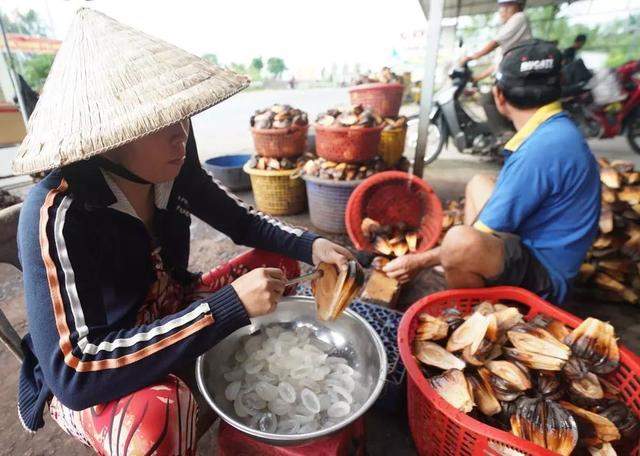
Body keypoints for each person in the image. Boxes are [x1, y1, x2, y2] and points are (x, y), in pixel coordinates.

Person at [14, 9, 351, 455]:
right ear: (111, 137)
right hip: (98, 362)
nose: (183, 137)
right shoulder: (57, 212)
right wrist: (223, 310)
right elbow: (75, 372)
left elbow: (241, 222)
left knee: (279, 268)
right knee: (159, 414)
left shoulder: (172, 162)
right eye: (163, 124)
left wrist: (314, 244)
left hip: (171, 308)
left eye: (184, 118)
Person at [384, 40, 601, 306]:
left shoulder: (542, 149)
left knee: (459, 242)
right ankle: (463, 269)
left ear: (499, 96)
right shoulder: (555, 130)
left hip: (547, 277)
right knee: (479, 183)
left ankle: (473, 310)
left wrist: (420, 260)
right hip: (536, 244)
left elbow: (482, 231)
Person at [459, 0, 532, 134]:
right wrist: (477, 78)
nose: (502, 11)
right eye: (502, 8)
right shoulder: (510, 37)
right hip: (509, 74)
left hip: (516, 76)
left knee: (487, 100)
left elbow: (495, 42)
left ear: (516, 6)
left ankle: (503, 134)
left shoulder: (519, 18)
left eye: (506, 7)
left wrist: (471, 57)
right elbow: (496, 65)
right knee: (488, 99)